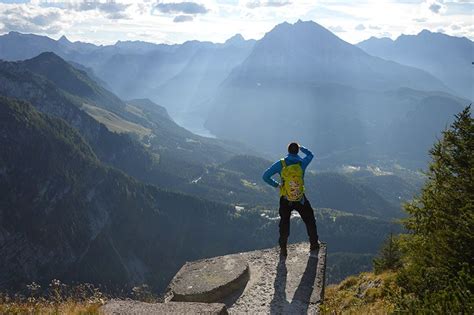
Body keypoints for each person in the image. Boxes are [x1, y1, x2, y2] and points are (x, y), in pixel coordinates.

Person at [262, 142, 319, 258]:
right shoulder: (302, 162)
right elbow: (311, 155)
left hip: (285, 198)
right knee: (310, 220)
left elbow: (265, 176)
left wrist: (277, 185)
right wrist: (302, 148)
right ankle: (313, 244)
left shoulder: (281, 164)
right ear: (297, 151)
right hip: (300, 198)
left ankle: (283, 248)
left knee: (284, 222)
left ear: (288, 151)